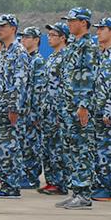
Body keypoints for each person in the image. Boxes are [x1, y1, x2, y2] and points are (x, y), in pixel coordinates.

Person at [57, 7, 99, 210]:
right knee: (73, 149)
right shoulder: (74, 45)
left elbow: (90, 77)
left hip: (80, 107)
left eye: (73, 21)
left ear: (84, 23)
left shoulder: (88, 46)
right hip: (69, 106)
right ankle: (76, 192)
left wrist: (84, 105)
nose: (69, 24)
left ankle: (84, 194)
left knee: (83, 150)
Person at [0, 14, 29, 199]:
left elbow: (19, 82)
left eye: (3, 26)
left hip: (9, 109)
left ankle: (13, 186)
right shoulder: (5, 51)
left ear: (13, 28)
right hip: (0, 107)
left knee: (11, 147)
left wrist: (14, 108)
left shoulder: (18, 51)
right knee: (3, 148)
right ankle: (7, 184)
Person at [37, 22, 70, 195]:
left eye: (53, 35)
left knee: (58, 148)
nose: (49, 38)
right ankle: (51, 181)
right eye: (48, 35)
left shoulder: (65, 57)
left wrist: (62, 110)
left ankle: (60, 183)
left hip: (58, 110)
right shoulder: (51, 58)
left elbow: (66, 86)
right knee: (48, 148)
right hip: (47, 110)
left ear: (63, 37)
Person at [19, 26, 46, 190]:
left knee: (32, 146)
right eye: (22, 37)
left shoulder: (38, 60)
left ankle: (31, 177)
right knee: (24, 144)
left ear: (36, 40)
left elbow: (39, 89)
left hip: (32, 112)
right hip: (24, 110)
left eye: (27, 37)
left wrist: (35, 113)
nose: (23, 40)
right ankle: (25, 174)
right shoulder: (26, 58)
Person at [92, 17, 111, 201]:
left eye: (102, 29)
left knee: (109, 151)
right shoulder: (102, 54)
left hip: (110, 113)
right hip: (98, 111)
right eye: (97, 29)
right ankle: (101, 185)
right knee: (100, 150)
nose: (98, 32)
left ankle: (110, 188)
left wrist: (110, 108)